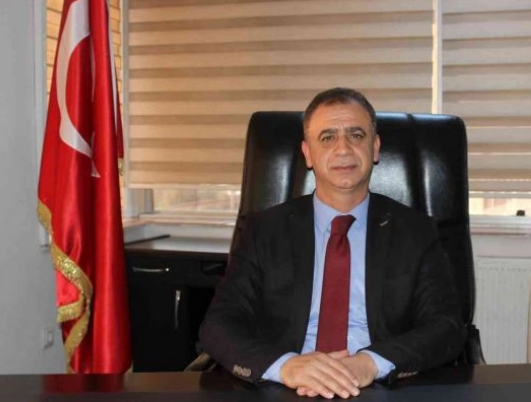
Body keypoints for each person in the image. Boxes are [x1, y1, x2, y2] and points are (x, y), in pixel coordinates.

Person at [199, 88, 466, 399]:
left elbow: (447, 326)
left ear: (375, 147)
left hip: (380, 386)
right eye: (327, 137)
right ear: (308, 153)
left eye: (356, 135)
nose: (343, 149)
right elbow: (219, 324)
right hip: (286, 387)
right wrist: (286, 366)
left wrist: (371, 363)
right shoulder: (264, 231)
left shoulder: (415, 231)